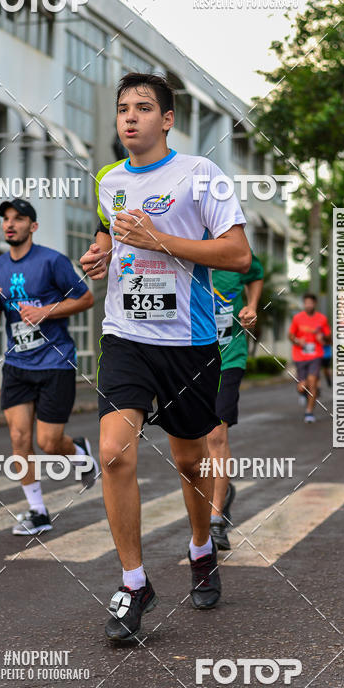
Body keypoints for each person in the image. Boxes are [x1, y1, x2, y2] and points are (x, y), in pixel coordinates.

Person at [80, 72, 251, 642]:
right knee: (112, 452)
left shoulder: (201, 175)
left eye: (144, 108)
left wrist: (161, 241)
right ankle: (134, 582)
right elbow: (109, 231)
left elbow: (238, 255)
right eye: (123, 108)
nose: (130, 117)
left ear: (167, 119)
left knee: (189, 462)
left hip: (189, 341)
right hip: (125, 338)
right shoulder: (107, 180)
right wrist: (101, 254)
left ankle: (201, 547)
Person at [0, 199, 96, 535]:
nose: (10, 224)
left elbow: (86, 298)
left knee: (49, 442)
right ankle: (37, 511)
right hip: (17, 363)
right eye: (6, 219)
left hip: (54, 362)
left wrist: (47, 311)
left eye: (18, 218)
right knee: (19, 438)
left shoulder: (52, 261)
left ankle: (79, 453)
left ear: (32, 226)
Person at [208, 253, 264, 550]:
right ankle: (223, 492)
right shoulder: (182, 253)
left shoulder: (235, 254)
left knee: (217, 433)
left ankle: (216, 518)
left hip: (229, 357)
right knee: (195, 442)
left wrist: (251, 306)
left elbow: (255, 272)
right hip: (189, 360)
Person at [288, 293, 331, 424]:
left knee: (312, 383)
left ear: (315, 304)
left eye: (311, 303)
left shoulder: (322, 319)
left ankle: (309, 412)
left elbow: (329, 338)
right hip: (300, 356)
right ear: (304, 304)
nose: (308, 305)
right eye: (306, 303)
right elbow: (290, 335)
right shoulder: (297, 318)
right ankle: (302, 393)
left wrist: (322, 338)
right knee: (302, 386)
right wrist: (297, 340)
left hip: (315, 355)